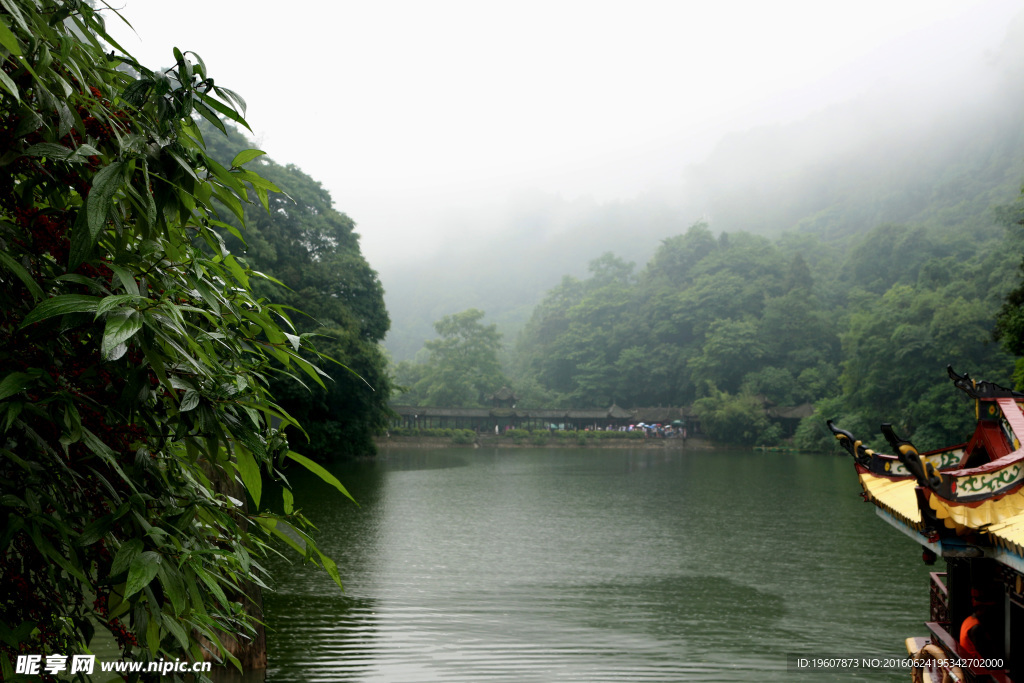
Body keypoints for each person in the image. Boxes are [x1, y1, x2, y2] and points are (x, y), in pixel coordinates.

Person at [959, 587, 999, 660]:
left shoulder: (968, 620)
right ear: (982, 608)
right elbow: (986, 654)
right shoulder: (975, 627)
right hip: (976, 666)